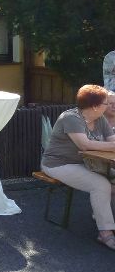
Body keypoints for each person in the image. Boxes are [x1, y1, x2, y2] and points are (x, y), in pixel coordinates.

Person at [41, 84, 115, 250]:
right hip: (58, 164)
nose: (108, 106)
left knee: (112, 182)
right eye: (106, 103)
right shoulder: (71, 118)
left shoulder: (100, 119)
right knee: (101, 185)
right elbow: (84, 145)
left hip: (87, 163)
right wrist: (112, 146)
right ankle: (105, 233)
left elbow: (112, 141)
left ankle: (103, 217)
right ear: (95, 106)